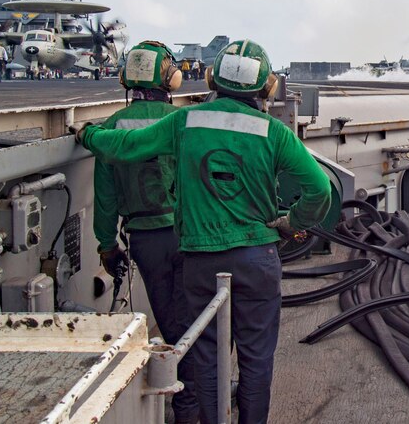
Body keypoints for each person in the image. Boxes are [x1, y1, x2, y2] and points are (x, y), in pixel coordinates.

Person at [73, 39, 331, 424]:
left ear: (211, 77)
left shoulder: (185, 121)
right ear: (267, 88)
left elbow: (123, 146)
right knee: (257, 359)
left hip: (201, 261)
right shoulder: (274, 132)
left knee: (207, 358)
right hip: (257, 258)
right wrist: (292, 223)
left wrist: (88, 135)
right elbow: (320, 189)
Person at [90, 40, 198, 424]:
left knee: (170, 321)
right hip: (189, 236)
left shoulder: (109, 128)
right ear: (170, 78)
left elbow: (104, 199)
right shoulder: (184, 121)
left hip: (144, 240)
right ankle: (193, 404)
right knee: (199, 319)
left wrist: (106, 245)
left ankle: (187, 397)